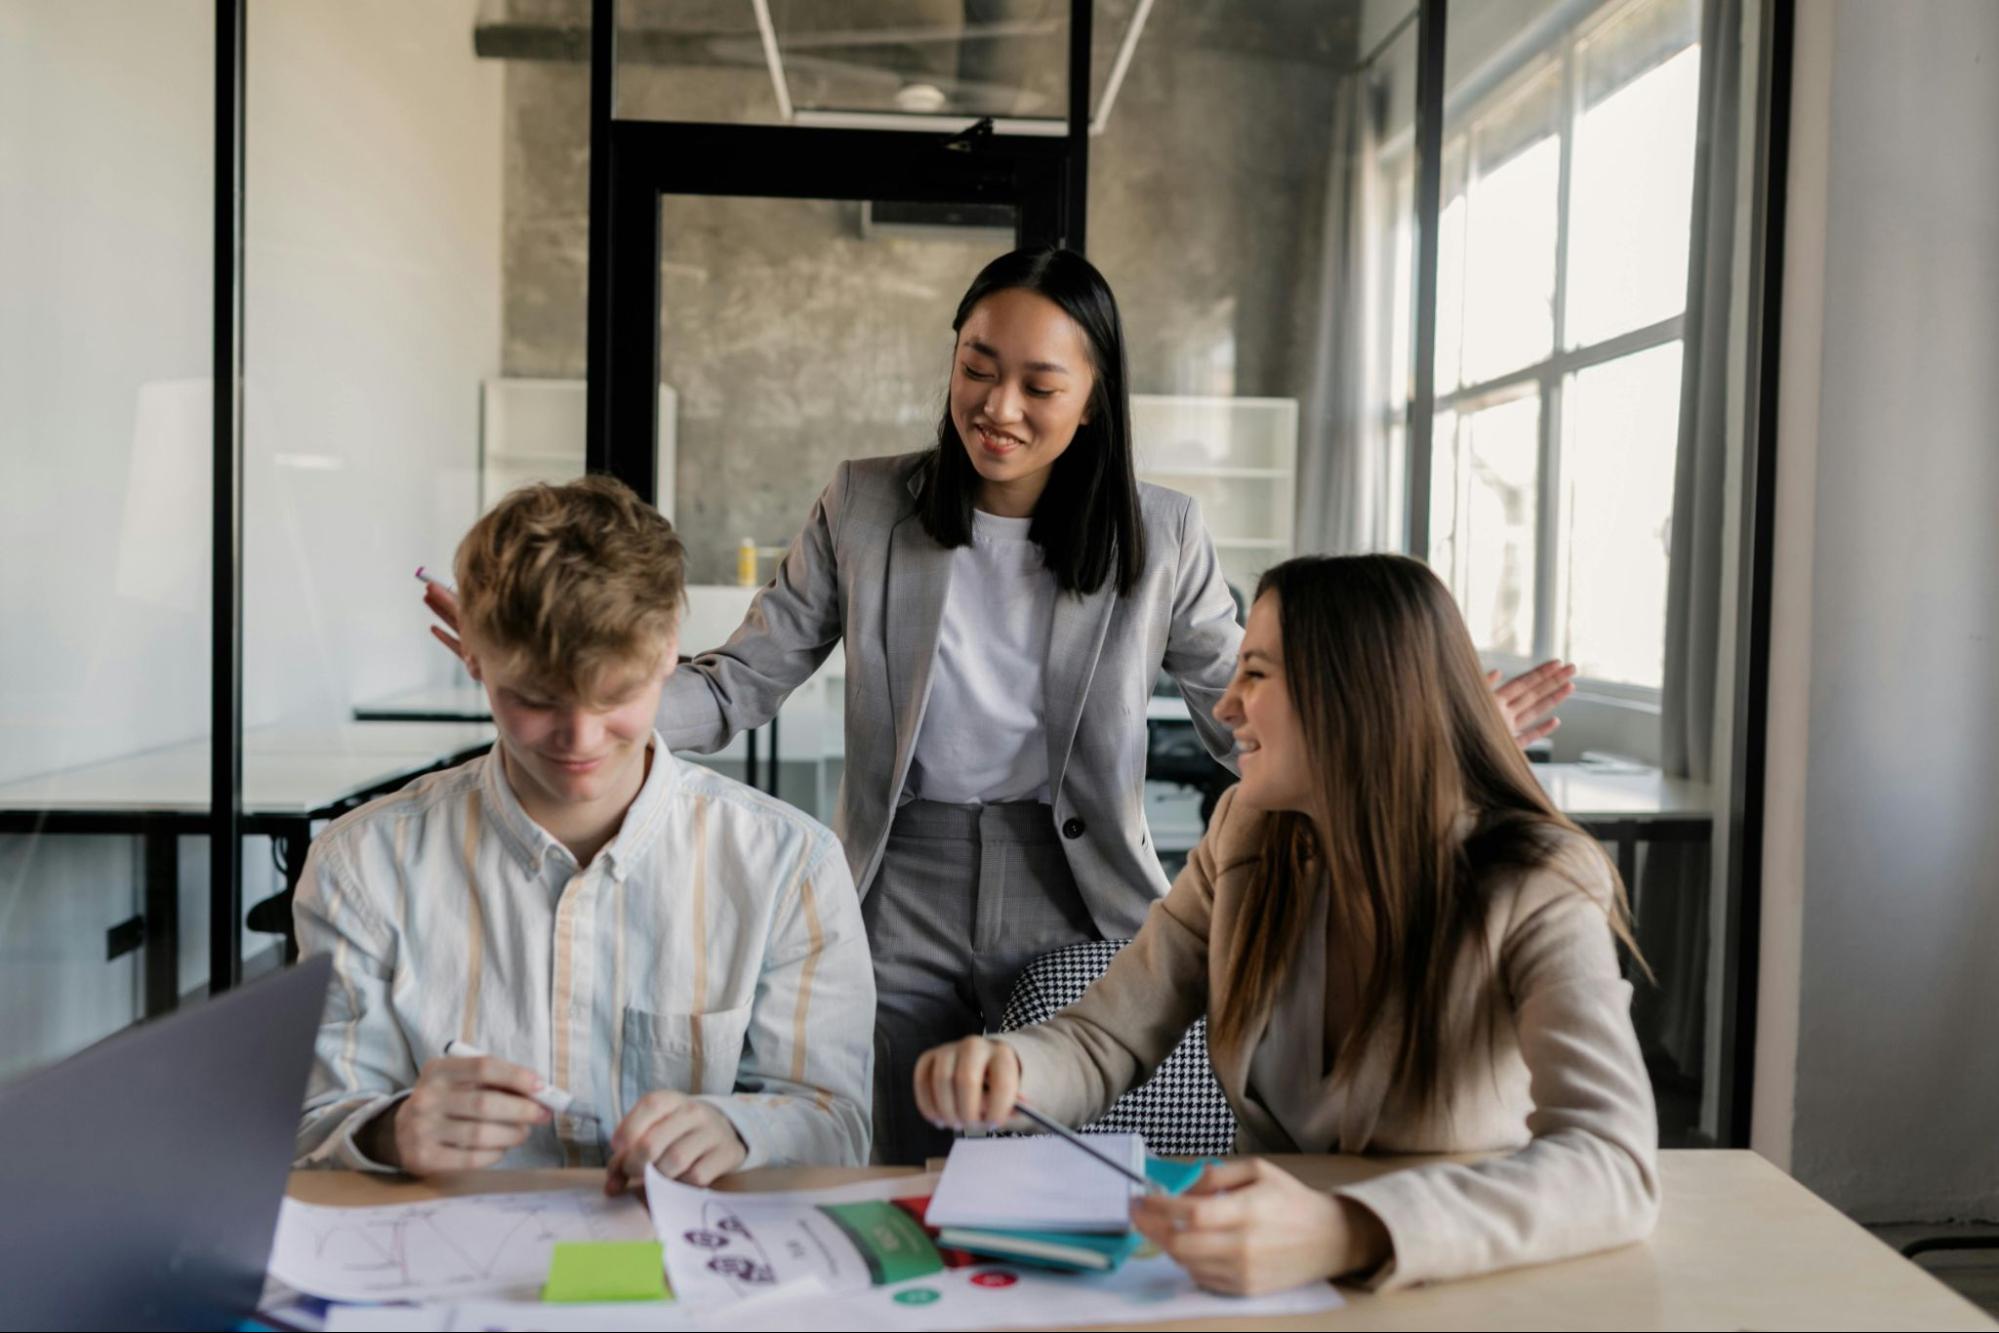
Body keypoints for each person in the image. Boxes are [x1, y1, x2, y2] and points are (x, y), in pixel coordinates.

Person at [425, 248, 1576, 1165]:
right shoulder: (867, 504)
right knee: (886, 1144)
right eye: (978, 365)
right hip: (901, 873)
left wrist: (1421, 717)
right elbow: (736, 685)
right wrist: (578, 681)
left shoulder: (1158, 532)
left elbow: (1242, 706)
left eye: (1039, 383)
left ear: (1091, 399)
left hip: (1077, 886)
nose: (999, 404)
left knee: (1059, 1161)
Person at [914, 553, 1658, 1293]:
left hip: (1442, 1284)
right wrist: (1011, 1069)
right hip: (1250, 1284)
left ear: (1353, 695)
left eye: (1256, 673)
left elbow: (1610, 1160)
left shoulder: (1538, 879)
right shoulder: (1246, 828)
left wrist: (1347, 1228)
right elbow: (1108, 1034)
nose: (1226, 704)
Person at [295, 477, 874, 1189]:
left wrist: (739, 1129)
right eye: (535, 700)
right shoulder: (361, 864)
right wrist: (391, 1127)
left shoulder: (790, 867)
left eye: (617, 696)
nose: (579, 739)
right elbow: (314, 1123)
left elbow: (838, 1122)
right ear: (470, 653)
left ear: (669, 648)